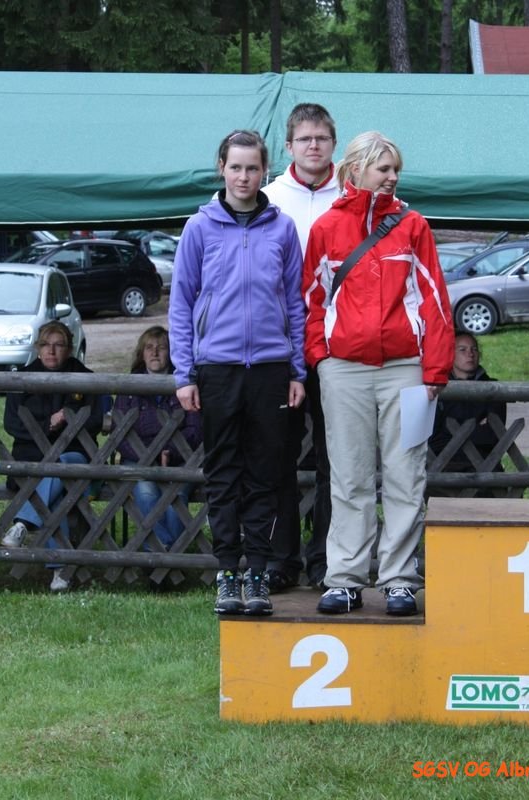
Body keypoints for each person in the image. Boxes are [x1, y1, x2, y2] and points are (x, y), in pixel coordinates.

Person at [302, 131, 455, 616]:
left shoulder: (413, 226)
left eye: (395, 170)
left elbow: (434, 299)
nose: (392, 177)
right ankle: (345, 579)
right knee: (348, 476)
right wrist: (321, 358)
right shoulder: (326, 228)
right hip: (344, 370)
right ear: (356, 169)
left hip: (406, 370)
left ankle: (399, 580)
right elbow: (311, 300)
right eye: (384, 168)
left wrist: (435, 370)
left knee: (406, 476)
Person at [169, 129, 306, 617]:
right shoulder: (199, 228)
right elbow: (181, 302)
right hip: (217, 369)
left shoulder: (282, 228)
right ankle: (227, 571)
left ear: (264, 171)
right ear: (221, 169)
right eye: (235, 167)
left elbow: (295, 302)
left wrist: (297, 369)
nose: (243, 177)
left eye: (252, 168)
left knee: (265, 474)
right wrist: (184, 373)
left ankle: (259, 573)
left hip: (270, 369)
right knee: (223, 474)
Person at [262, 102, 339, 592]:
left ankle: (328, 559)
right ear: (289, 146)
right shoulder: (268, 199)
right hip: (280, 346)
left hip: (337, 347)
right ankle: (281, 558)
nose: (314, 146)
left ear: (334, 143)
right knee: (278, 455)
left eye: (322, 138)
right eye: (305, 139)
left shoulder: (352, 196)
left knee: (336, 459)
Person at [1, 321, 103, 592]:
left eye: (59, 345)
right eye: (46, 344)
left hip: (74, 459)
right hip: (31, 461)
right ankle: (60, 572)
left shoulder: (86, 378)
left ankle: (22, 523)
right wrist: (47, 424)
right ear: (37, 348)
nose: (51, 350)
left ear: (69, 349)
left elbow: (95, 420)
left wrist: (69, 416)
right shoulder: (21, 379)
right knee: (58, 495)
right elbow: (12, 424)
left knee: (62, 468)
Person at [113, 326, 202, 550]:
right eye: (149, 348)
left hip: (181, 461)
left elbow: (195, 430)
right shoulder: (128, 386)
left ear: (171, 353)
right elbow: (119, 435)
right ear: (141, 354)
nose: (154, 352)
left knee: (176, 496)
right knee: (146, 492)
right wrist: (149, 455)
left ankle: (158, 556)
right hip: (138, 460)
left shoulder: (186, 384)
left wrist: (169, 451)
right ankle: (167, 551)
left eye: (161, 348)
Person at [428, 332, 507, 490]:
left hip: (484, 465)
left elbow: (493, 437)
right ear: (450, 354)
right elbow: (434, 439)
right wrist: (477, 428)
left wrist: (450, 431)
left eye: (474, 349)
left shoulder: (493, 388)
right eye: (462, 349)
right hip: (443, 466)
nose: (470, 354)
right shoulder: (436, 388)